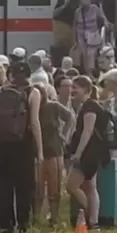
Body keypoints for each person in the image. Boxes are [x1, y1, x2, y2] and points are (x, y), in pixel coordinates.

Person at [0, 61, 43, 233]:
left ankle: (6, 226)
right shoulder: (32, 92)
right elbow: (34, 122)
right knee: (24, 186)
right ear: (28, 75)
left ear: (10, 75)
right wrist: (40, 150)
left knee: (2, 185)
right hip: (23, 145)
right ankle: (23, 226)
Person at [67, 76, 109, 230]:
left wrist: (78, 154)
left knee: (71, 186)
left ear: (86, 90)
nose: (72, 90)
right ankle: (94, 221)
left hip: (87, 153)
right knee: (90, 187)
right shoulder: (93, 105)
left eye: (75, 87)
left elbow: (88, 131)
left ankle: (85, 215)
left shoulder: (89, 107)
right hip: (94, 153)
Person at [33, 84, 74, 225]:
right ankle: (36, 218)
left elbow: (70, 117)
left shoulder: (53, 106)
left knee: (54, 186)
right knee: (37, 187)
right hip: (37, 152)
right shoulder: (32, 108)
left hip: (54, 150)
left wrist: (64, 135)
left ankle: (54, 218)